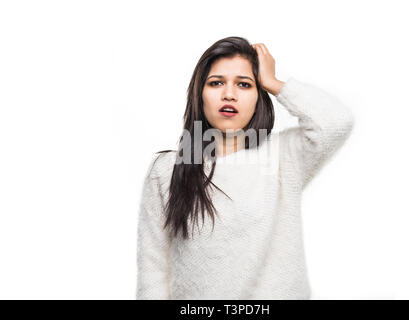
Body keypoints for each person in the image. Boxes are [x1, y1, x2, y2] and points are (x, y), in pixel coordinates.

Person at [136, 36, 355, 300]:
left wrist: (275, 84)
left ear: (258, 96)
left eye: (244, 84)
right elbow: (154, 268)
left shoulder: (283, 156)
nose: (229, 94)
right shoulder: (167, 169)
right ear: (200, 94)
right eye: (216, 83)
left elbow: (336, 122)